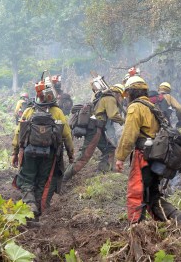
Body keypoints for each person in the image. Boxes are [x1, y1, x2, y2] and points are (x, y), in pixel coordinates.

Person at [115, 75, 181, 224]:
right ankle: (179, 218)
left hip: (143, 157)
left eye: (127, 93)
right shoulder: (153, 107)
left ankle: (136, 227)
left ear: (130, 92)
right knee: (152, 195)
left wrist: (120, 158)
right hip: (157, 158)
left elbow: (129, 135)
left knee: (136, 193)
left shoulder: (136, 107)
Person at [11, 79, 74, 222]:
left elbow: (18, 133)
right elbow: (66, 135)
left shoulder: (29, 110)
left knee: (26, 180)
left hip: (29, 153)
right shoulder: (57, 112)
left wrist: (15, 153)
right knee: (42, 182)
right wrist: (71, 154)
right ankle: (37, 214)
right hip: (49, 155)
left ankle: (30, 205)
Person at [62, 83, 125, 184]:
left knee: (109, 149)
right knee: (84, 157)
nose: (122, 99)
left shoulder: (101, 96)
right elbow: (113, 115)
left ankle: (102, 173)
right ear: (118, 93)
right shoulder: (110, 98)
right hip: (95, 129)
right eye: (122, 96)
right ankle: (63, 179)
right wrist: (125, 121)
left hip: (96, 128)